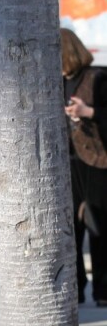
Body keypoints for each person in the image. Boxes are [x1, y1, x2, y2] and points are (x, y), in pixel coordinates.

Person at [61, 27, 107, 305]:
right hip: (66, 162)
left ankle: (103, 292)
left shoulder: (97, 78)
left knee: (100, 228)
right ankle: (75, 289)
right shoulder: (53, 81)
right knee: (69, 230)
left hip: (97, 164)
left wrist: (88, 112)